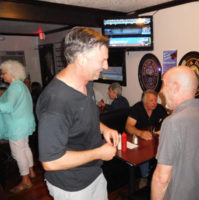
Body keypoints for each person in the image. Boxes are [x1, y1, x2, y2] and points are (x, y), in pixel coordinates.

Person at [36, 27, 119, 200]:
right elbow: (50, 162)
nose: (106, 66)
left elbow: (84, 117)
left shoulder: (87, 82)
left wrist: (104, 129)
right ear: (81, 59)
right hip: (72, 187)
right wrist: (99, 153)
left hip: (94, 173)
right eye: (102, 60)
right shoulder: (55, 103)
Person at [151, 66, 199, 200]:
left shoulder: (172, 123)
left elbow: (161, 179)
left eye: (163, 84)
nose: (161, 91)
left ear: (176, 87)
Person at [0, 60, 36, 193]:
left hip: (17, 126)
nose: (2, 76)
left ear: (11, 73)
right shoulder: (21, 85)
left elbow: (7, 107)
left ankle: (26, 181)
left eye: (3, 73)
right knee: (25, 148)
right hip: (24, 124)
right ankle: (31, 171)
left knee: (18, 153)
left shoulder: (15, 87)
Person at [126, 89, 168, 180]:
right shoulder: (137, 108)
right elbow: (128, 127)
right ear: (144, 101)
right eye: (151, 100)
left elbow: (168, 122)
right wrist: (140, 133)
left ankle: (160, 177)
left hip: (154, 139)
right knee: (144, 153)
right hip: (138, 140)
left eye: (156, 100)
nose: (155, 103)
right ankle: (145, 178)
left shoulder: (159, 108)